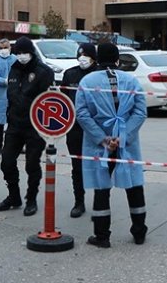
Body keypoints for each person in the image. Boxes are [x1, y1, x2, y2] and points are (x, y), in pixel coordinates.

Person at [76, 43, 149, 248]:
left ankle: (102, 236)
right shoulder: (131, 81)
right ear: (118, 60)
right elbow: (140, 112)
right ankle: (139, 232)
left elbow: (82, 114)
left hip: (100, 145)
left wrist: (103, 138)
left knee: (101, 187)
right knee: (134, 184)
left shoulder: (87, 81)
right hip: (126, 143)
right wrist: (123, 137)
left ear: (97, 59)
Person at [0, 37, 53, 216]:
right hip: (14, 124)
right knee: (6, 162)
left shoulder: (43, 71)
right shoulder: (14, 68)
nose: (21, 56)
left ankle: (31, 199)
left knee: (32, 164)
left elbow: (46, 99)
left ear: (31, 52)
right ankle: (14, 196)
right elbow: (11, 94)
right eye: (18, 53)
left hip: (35, 126)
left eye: (24, 52)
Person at [60, 43, 98, 218]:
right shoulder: (70, 74)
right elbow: (63, 99)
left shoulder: (99, 74)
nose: (82, 58)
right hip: (75, 128)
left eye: (86, 55)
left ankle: (99, 203)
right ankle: (79, 201)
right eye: (80, 55)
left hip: (96, 128)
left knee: (98, 167)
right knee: (77, 167)